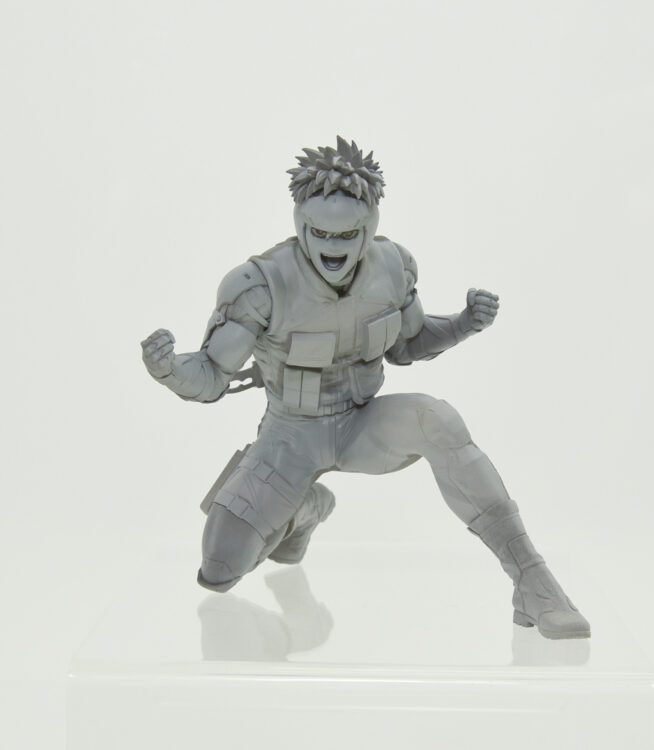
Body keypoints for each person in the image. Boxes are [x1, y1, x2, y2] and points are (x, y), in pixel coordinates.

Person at [141, 137, 590, 639]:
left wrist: (463, 323)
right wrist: (169, 369)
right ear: (299, 222)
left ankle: (533, 582)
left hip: (360, 423)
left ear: (370, 225)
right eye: (320, 233)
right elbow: (211, 375)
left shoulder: (393, 267)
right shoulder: (259, 286)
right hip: (289, 438)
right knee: (219, 568)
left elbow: (408, 344)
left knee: (437, 419)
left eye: (347, 234)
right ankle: (306, 508)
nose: (333, 247)